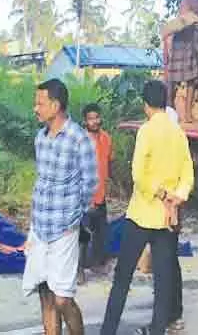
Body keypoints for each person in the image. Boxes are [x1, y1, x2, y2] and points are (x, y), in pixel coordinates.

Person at [100, 80, 194, 335]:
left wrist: (161, 193)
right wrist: (177, 197)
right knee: (163, 281)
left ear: (145, 104)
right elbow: (188, 174)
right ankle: (157, 331)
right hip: (167, 218)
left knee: (123, 277)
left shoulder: (147, 131)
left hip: (142, 214)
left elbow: (138, 175)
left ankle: (108, 330)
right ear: (165, 102)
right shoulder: (179, 133)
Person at [22, 78, 97, 335]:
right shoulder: (40, 139)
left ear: (55, 105)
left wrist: (73, 221)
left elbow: (90, 184)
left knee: (62, 298)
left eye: (40, 103)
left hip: (64, 230)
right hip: (40, 227)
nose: (35, 108)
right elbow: (42, 180)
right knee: (45, 293)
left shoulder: (79, 139)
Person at [77, 103, 114, 285]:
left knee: (101, 232)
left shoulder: (106, 138)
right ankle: (79, 270)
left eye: (97, 117)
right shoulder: (80, 140)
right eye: (90, 118)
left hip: (101, 195)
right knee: (82, 235)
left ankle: (97, 264)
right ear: (85, 121)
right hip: (84, 197)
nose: (94, 121)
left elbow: (108, 163)